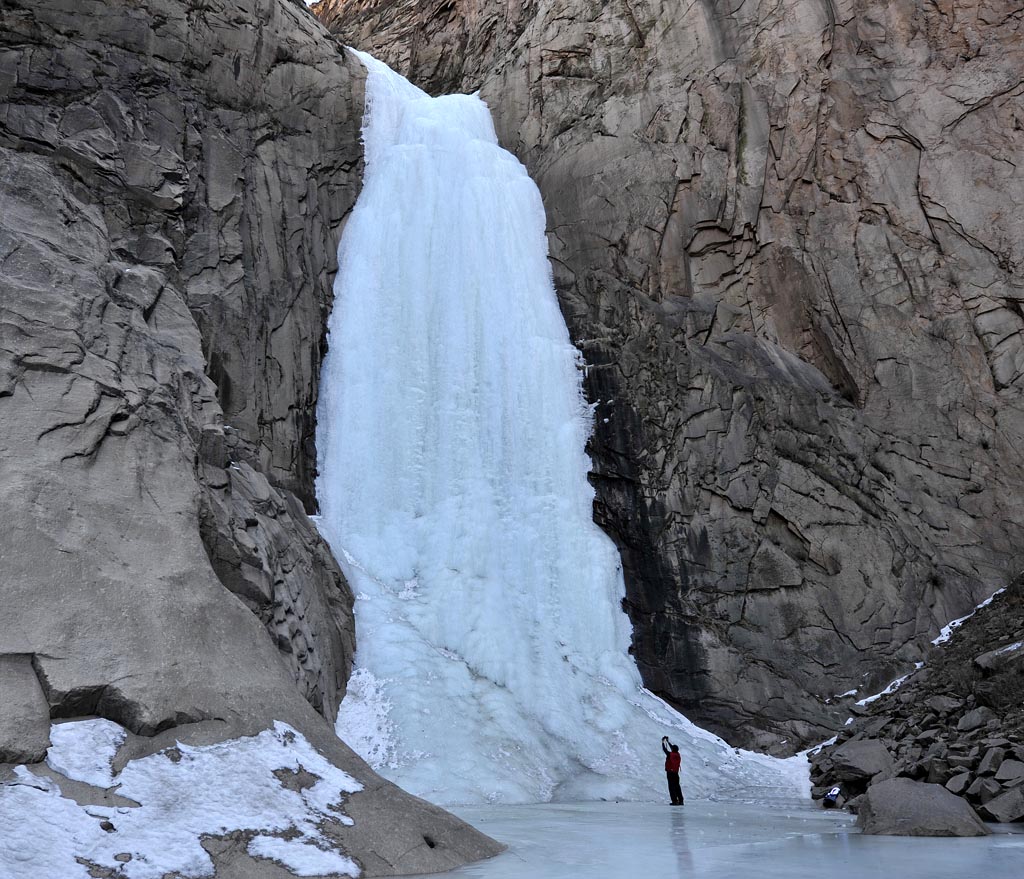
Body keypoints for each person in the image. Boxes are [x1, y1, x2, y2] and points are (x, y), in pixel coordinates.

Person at [661, 736, 684, 805]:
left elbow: (664, 749)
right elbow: (672, 748)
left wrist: (663, 742)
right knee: (677, 786)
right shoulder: (678, 754)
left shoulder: (669, 754)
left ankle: (674, 801)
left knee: (671, 787)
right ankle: (681, 800)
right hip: (676, 773)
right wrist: (668, 742)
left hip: (670, 772)